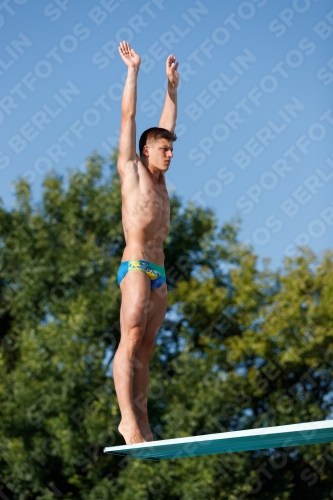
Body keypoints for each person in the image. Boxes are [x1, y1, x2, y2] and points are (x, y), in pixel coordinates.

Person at [113, 41, 179, 444]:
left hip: (159, 272)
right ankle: (127, 421)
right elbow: (130, 116)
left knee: (147, 350)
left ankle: (143, 420)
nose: (170, 153)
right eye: (164, 149)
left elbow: (166, 125)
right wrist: (134, 71)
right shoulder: (132, 170)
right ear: (145, 150)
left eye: (172, 149)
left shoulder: (162, 181)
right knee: (131, 338)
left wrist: (172, 88)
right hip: (136, 266)